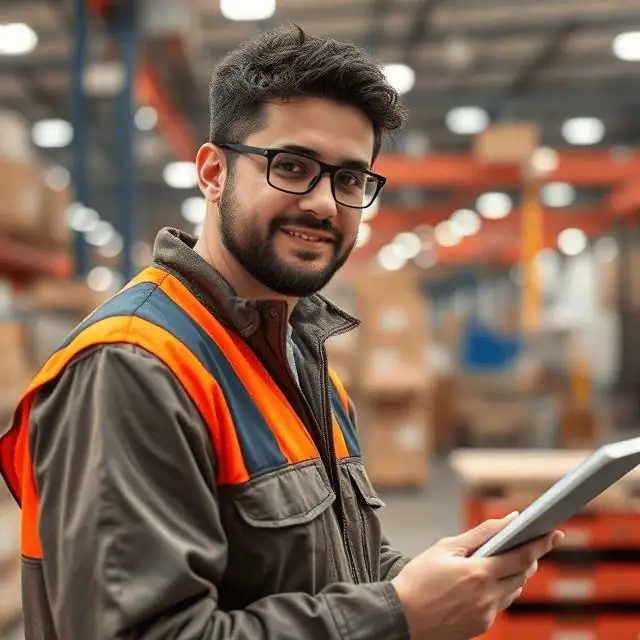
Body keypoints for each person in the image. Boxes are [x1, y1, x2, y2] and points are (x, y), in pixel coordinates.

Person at [0, 25, 563, 640]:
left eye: (351, 179)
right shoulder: (134, 367)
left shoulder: (299, 353)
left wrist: (439, 580)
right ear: (213, 174)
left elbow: (328, 569)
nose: (325, 203)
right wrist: (398, 615)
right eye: (292, 166)